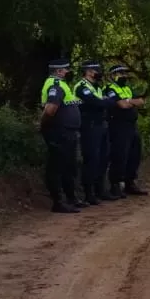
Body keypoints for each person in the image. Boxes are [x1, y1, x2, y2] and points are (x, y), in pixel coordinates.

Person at [38, 58, 84, 213]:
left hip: (68, 132)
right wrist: (42, 124)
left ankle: (71, 198)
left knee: (69, 166)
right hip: (59, 131)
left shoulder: (63, 85)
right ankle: (58, 202)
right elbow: (50, 109)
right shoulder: (55, 85)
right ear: (58, 71)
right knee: (57, 166)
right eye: (66, 69)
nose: (68, 72)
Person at [74, 61, 116, 205]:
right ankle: (88, 193)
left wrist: (104, 101)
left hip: (102, 126)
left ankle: (100, 190)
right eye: (95, 70)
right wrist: (103, 101)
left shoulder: (97, 87)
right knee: (92, 159)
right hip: (89, 127)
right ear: (88, 71)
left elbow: (111, 102)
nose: (98, 72)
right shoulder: (81, 87)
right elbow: (97, 103)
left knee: (104, 159)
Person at [103, 65, 148, 198]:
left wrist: (129, 102)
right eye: (120, 73)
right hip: (118, 126)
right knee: (119, 155)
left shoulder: (127, 89)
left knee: (135, 154)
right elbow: (122, 105)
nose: (123, 75)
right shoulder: (109, 88)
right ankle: (115, 185)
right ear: (112, 75)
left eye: (124, 72)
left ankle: (130, 182)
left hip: (131, 126)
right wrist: (130, 102)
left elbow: (140, 101)